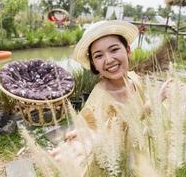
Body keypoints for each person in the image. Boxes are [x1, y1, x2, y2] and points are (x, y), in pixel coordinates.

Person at [49, 20, 171, 171]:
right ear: (93, 64)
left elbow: (136, 116)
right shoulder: (99, 98)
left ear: (127, 50)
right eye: (99, 56)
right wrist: (82, 143)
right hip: (116, 163)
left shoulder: (134, 78)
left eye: (114, 50)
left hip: (139, 152)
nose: (108, 60)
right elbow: (93, 133)